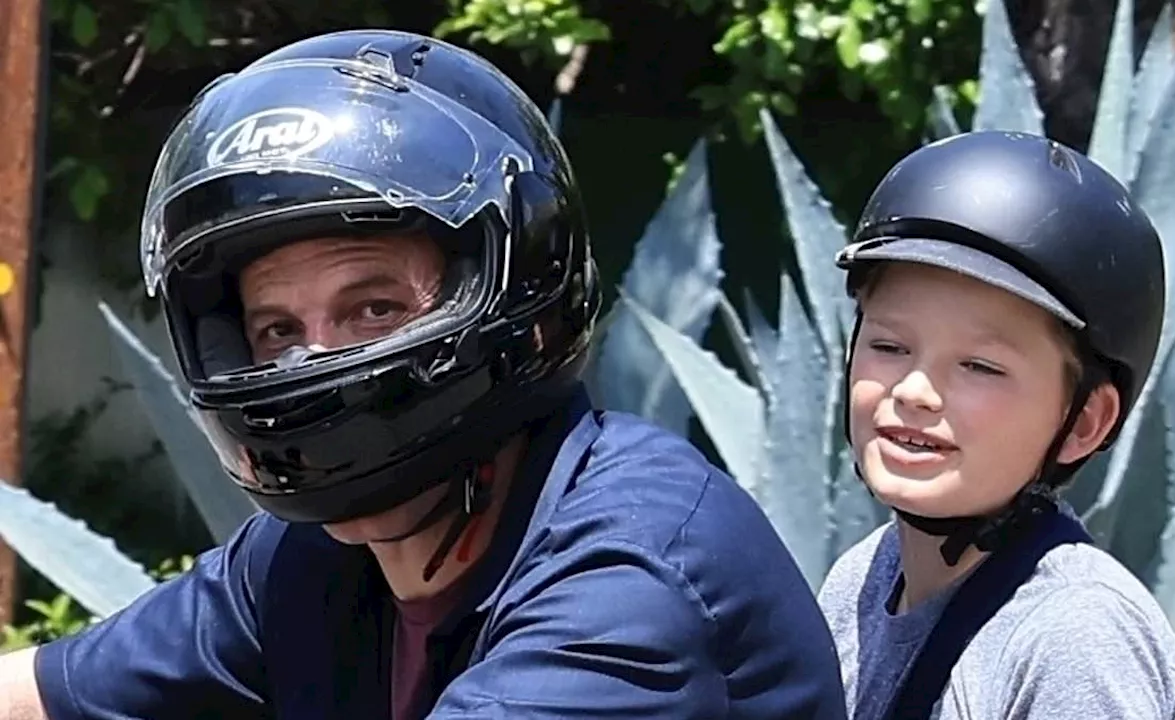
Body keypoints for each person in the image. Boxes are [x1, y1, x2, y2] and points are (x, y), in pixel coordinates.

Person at [0, 29, 847, 719]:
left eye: (373, 308)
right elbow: (43, 692)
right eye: (276, 329)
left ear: (514, 289)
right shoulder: (318, 560)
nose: (315, 359)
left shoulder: (624, 587)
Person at [816, 131, 1175, 719]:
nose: (915, 391)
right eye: (889, 345)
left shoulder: (1072, 637)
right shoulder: (864, 578)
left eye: (979, 366)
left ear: (1085, 421)